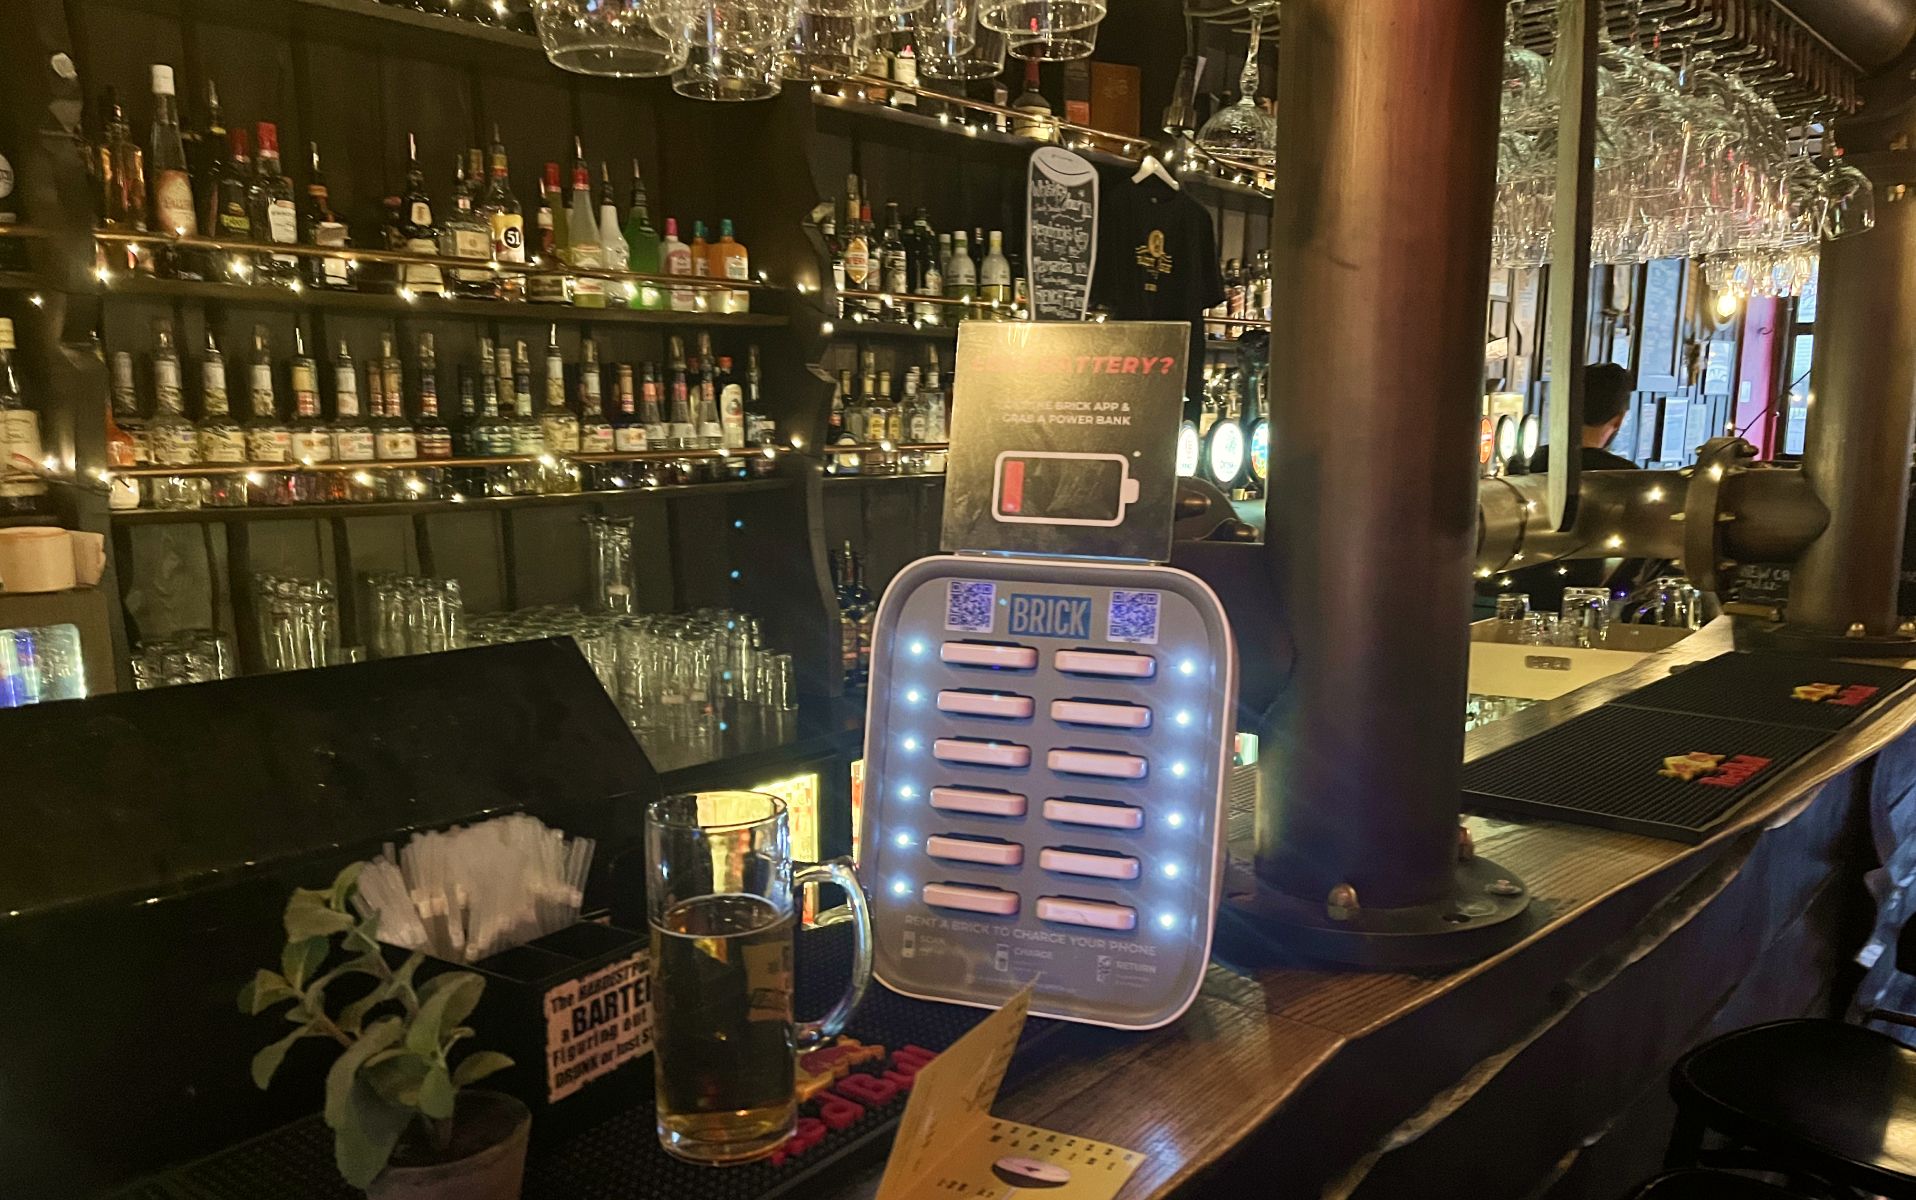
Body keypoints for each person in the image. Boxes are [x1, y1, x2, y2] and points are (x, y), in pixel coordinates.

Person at [1499, 363, 1640, 612]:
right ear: (1618, 420)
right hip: (1594, 608)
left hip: (1518, 602)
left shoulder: (1527, 464)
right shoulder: (1629, 477)